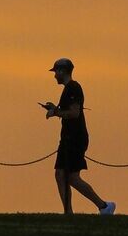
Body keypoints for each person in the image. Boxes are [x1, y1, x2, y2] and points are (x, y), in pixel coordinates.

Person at [43, 58, 116, 215]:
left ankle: (104, 206)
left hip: (74, 139)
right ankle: (69, 211)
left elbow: (74, 113)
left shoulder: (73, 88)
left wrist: (55, 112)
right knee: (61, 174)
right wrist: (55, 109)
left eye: (56, 71)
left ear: (62, 71)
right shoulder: (69, 89)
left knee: (72, 177)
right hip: (69, 138)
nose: (54, 75)